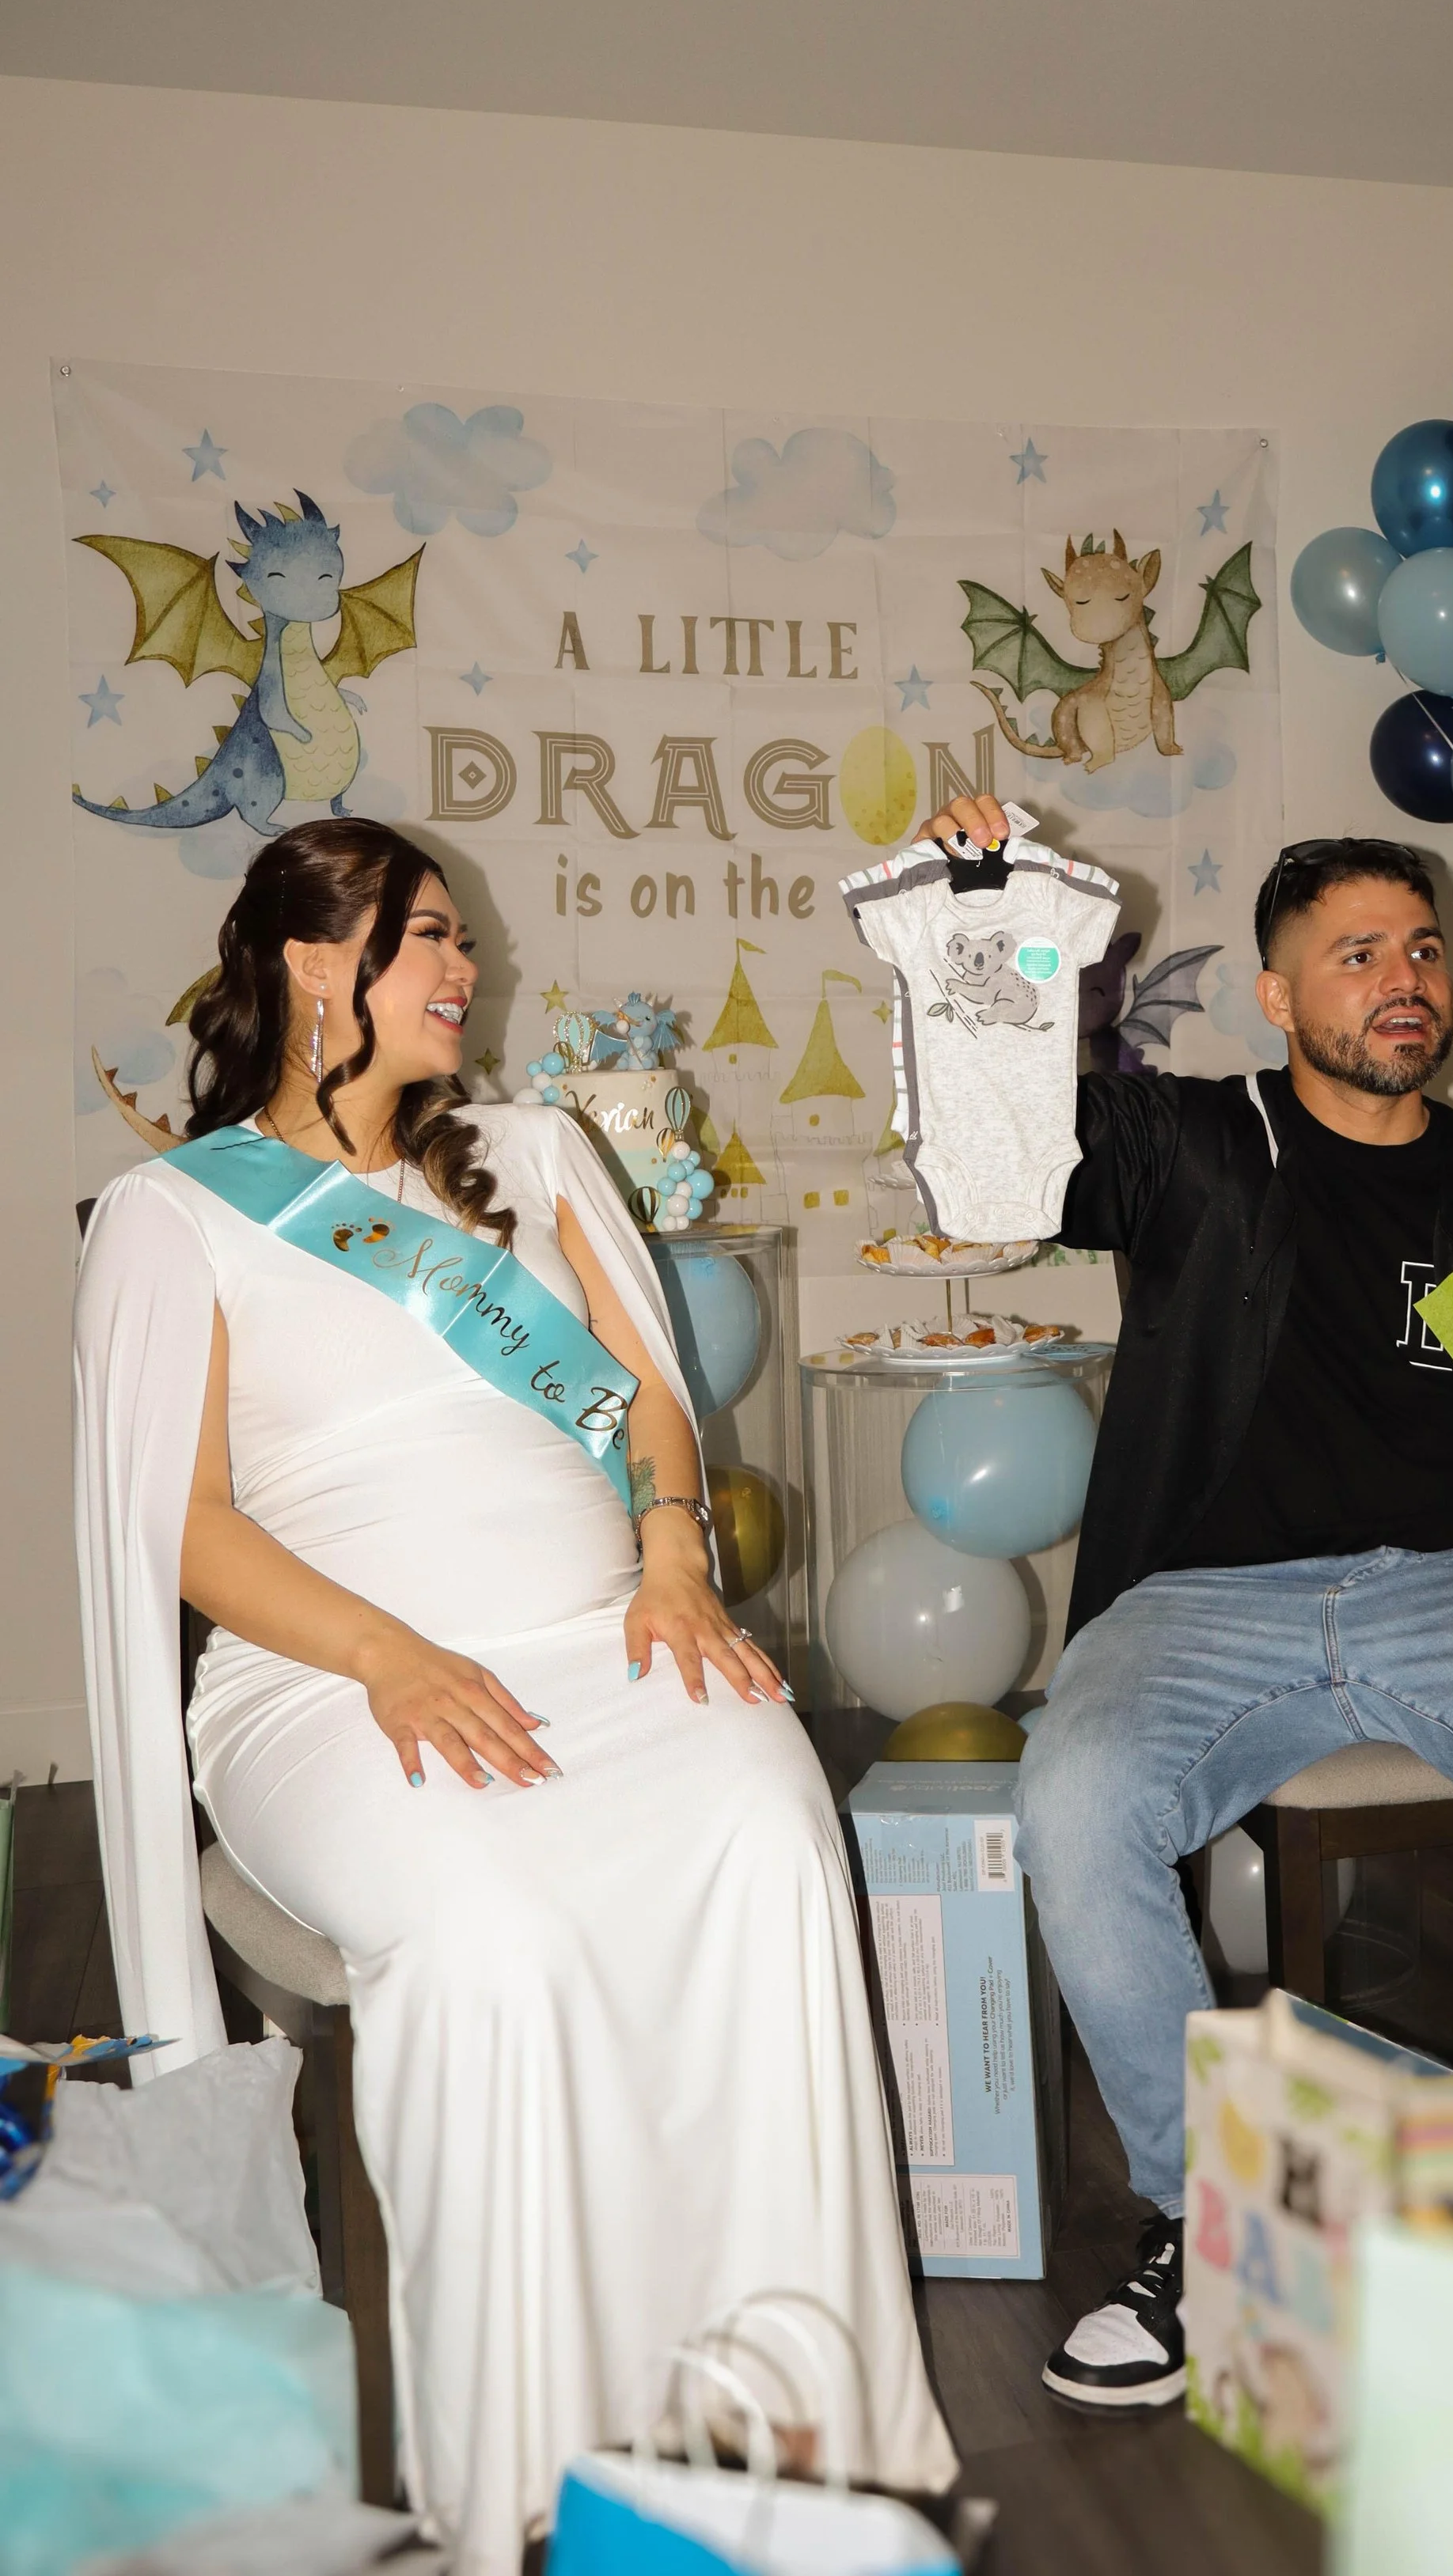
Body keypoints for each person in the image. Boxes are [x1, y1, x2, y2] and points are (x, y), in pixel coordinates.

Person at [73, 820, 955, 2570]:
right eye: (425, 940)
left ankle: (791, 2413)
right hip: (331, 1679)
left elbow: (646, 1406)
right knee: (489, 1931)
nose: (464, 969)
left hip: (605, 1634)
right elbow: (173, 1523)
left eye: (459, 937)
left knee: (772, 1827)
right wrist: (391, 1651)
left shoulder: (535, 1149)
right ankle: (527, 2472)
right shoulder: (179, 1217)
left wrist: (677, 1554)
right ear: (315, 966)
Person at [913, 795, 1453, 2411]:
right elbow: (991, 1158)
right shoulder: (1189, 1143)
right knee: (1071, 1799)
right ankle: (1207, 2220)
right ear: (1278, 996)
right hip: (1201, 1598)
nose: (1399, 978)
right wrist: (979, 904)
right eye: (1353, 955)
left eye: (1419, 949)